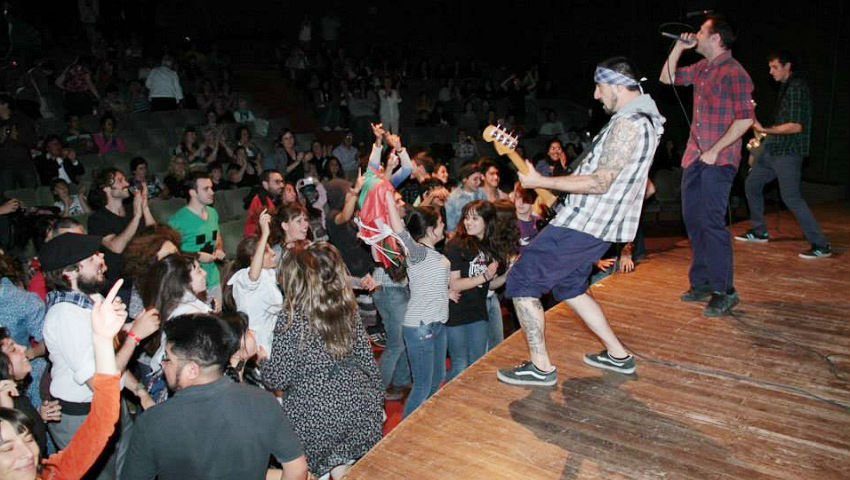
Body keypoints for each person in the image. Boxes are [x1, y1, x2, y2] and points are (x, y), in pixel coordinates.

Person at [497, 56, 664, 386]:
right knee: (569, 286)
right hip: (599, 226)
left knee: (522, 280)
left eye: (600, 87)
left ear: (617, 85)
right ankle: (617, 354)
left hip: (585, 224)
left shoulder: (629, 124)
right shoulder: (644, 119)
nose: (596, 95)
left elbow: (600, 181)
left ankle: (540, 367)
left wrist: (541, 182)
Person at [121, 313, 308, 480]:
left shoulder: (153, 422)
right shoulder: (263, 402)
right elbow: (297, 469)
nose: (162, 365)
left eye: (167, 358)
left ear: (192, 370)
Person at [40, 234, 159, 478]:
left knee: (129, 469)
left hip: (112, 403)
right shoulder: (65, 316)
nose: (102, 257)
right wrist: (135, 337)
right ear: (69, 273)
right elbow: (99, 381)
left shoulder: (91, 299)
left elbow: (112, 358)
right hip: (81, 416)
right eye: (93, 256)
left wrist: (139, 392)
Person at [262, 242, 383, 480]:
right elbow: (367, 360)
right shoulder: (347, 309)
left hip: (314, 416)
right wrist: (376, 400)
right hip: (356, 404)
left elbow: (277, 377)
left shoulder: (293, 318)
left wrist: (263, 360)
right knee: (344, 467)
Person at [660, 14, 754, 316]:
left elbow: (745, 120)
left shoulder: (735, 72)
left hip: (720, 159)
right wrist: (678, 48)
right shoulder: (703, 67)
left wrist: (715, 150)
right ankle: (700, 282)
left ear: (716, 38)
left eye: (701, 31)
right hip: (694, 158)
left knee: (712, 223)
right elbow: (666, 78)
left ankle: (724, 289)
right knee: (693, 221)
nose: (695, 34)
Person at [0, 278, 129, 480]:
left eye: (28, 439)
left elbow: (103, 420)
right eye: (7, 449)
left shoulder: (51, 474)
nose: (27, 454)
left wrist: (102, 339)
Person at [735, 50, 830, 259]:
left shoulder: (796, 87)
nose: (770, 72)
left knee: (791, 197)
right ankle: (759, 231)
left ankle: (821, 244)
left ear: (788, 67)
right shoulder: (786, 88)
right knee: (751, 184)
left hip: (788, 152)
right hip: (774, 150)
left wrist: (765, 129)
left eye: (775, 67)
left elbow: (796, 126)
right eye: (770, 67)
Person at [385, 195, 453, 417]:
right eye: (441, 223)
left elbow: (428, 281)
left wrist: (446, 292)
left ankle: (421, 424)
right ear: (432, 229)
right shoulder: (419, 252)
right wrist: (386, 196)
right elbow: (399, 231)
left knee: (435, 382)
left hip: (437, 324)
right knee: (423, 386)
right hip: (422, 327)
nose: (444, 225)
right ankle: (403, 435)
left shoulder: (431, 254)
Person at [445, 200, 508, 380]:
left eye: (475, 218)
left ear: (487, 221)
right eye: (466, 217)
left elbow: (490, 285)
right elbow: (454, 284)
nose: (468, 222)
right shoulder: (456, 245)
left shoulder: (490, 246)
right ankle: (446, 404)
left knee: (477, 363)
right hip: (456, 312)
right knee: (459, 364)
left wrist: (508, 275)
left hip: (479, 312)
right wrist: (484, 277)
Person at [225, 210, 280, 355]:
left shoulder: (269, 273)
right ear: (253, 259)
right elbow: (253, 277)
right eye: (266, 251)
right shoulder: (242, 278)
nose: (273, 253)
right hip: (257, 346)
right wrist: (265, 234)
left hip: (274, 339)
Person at [168, 173, 226, 305]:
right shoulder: (177, 221)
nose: (212, 192)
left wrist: (219, 248)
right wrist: (196, 256)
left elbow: (217, 236)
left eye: (211, 188)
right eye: (206, 189)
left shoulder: (212, 213)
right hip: (190, 283)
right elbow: (170, 255)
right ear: (193, 193)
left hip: (213, 278)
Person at [445, 163, 485, 233]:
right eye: (475, 179)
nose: (478, 182)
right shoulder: (453, 198)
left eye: (480, 179)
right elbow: (450, 227)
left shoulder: (482, 193)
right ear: (464, 179)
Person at [243, 169, 284, 237]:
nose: (282, 185)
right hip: (257, 240)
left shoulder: (276, 198)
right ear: (265, 184)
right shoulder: (260, 200)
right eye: (277, 182)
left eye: (282, 182)